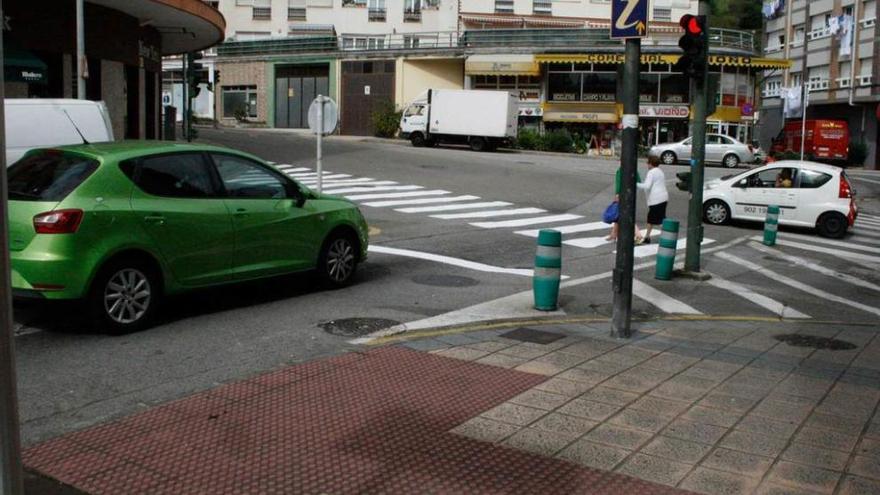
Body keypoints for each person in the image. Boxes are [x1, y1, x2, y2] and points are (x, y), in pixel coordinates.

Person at [636, 156, 669, 244]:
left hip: (656, 199)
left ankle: (668, 235)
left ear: (650, 163)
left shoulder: (651, 172)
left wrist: (635, 183)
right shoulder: (660, 171)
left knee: (657, 220)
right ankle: (647, 237)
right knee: (653, 219)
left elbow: (647, 186)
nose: (647, 164)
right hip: (663, 197)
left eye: (648, 163)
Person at [606, 166, 643, 243]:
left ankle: (638, 234)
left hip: (622, 194)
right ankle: (613, 234)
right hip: (631, 193)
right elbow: (639, 181)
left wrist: (617, 194)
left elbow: (619, 184)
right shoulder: (634, 169)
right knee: (619, 214)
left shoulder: (620, 170)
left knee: (625, 214)